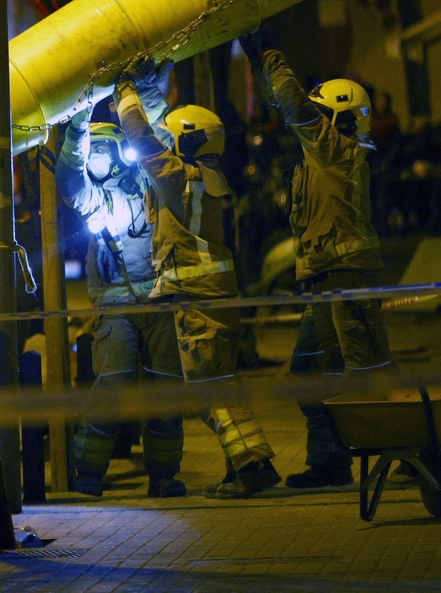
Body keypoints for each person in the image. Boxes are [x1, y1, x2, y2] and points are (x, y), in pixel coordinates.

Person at [115, 63, 280, 500]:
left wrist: (125, 93)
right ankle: (247, 465)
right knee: (220, 386)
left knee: (210, 394)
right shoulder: (210, 179)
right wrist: (150, 89)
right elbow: (162, 134)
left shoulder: (178, 179)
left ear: (185, 142)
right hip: (217, 298)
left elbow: (144, 141)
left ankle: (252, 467)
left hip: (197, 301)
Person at [239, 27, 392, 489]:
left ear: (338, 119)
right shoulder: (322, 157)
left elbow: (293, 106)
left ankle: (405, 446)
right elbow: (284, 108)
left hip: (344, 278)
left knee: (362, 371)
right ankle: (330, 461)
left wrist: (270, 52)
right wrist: (256, 62)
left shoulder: (337, 152)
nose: (315, 123)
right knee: (313, 372)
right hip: (327, 280)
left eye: (323, 115)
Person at [55, 107, 188, 498]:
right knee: (112, 388)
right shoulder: (95, 198)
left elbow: (160, 145)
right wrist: (77, 128)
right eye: (89, 151)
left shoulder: (149, 183)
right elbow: (69, 179)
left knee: (165, 391)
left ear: (118, 153)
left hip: (160, 303)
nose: (95, 157)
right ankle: (88, 475)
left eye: (102, 149)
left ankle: (164, 475)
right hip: (116, 311)